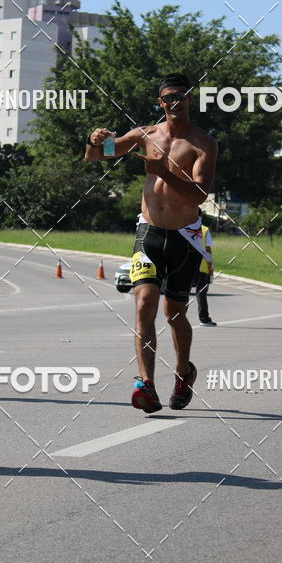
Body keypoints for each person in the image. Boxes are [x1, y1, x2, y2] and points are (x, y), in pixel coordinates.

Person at [85, 73, 217, 412]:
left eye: (180, 96)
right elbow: (99, 157)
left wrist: (165, 172)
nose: (174, 102)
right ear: (160, 102)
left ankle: (184, 372)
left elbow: (200, 194)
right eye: (168, 97)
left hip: (185, 237)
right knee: (144, 304)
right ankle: (146, 384)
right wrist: (94, 140)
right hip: (149, 233)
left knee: (174, 313)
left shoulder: (203, 143)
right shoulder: (145, 135)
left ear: (190, 99)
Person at [193, 213, 216, 326]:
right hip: (202, 267)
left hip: (185, 267)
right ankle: (204, 319)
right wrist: (210, 265)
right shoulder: (204, 230)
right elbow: (207, 250)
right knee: (201, 293)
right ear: (200, 216)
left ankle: (178, 317)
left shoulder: (182, 228)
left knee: (182, 294)